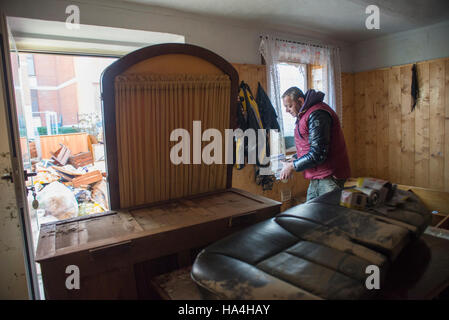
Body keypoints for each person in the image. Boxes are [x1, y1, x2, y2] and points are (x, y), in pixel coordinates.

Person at [279, 87, 350, 201]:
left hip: (329, 178)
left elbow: (318, 153)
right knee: (311, 216)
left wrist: (292, 166)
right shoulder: (305, 114)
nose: (287, 110)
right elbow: (309, 146)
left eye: (289, 106)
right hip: (318, 177)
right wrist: (294, 158)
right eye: (285, 107)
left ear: (301, 101)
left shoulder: (317, 114)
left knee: (328, 217)